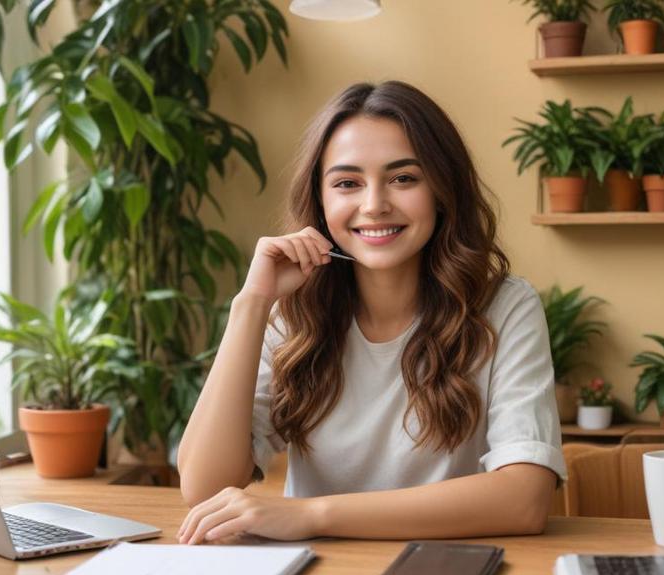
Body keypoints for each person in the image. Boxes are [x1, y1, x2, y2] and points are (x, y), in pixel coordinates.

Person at [175, 80, 566, 546]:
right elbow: (204, 488)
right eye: (347, 183)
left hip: (445, 573)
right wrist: (252, 303)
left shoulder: (504, 307)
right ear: (321, 202)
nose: (375, 205)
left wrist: (313, 515)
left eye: (403, 178)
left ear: (442, 190)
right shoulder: (294, 314)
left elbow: (524, 499)